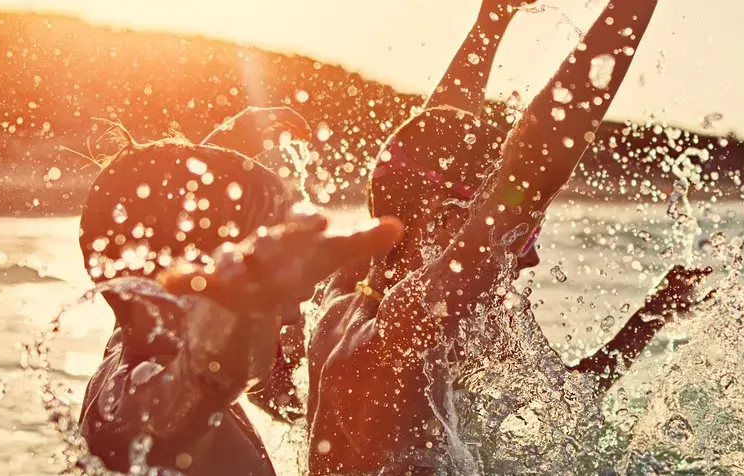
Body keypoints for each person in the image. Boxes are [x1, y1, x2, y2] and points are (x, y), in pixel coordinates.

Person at [304, 0, 690, 472]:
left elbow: (421, 160)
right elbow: (534, 161)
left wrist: (493, 20)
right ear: (446, 224)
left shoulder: (348, 296)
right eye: (523, 237)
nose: (529, 259)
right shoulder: (405, 325)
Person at [73, 138, 403, 475]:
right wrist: (253, 303)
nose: (304, 292)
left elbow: (153, 269)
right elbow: (214, 374)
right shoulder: (135, 408)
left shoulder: (125, 348)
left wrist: (225, 140)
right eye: (257, 262)